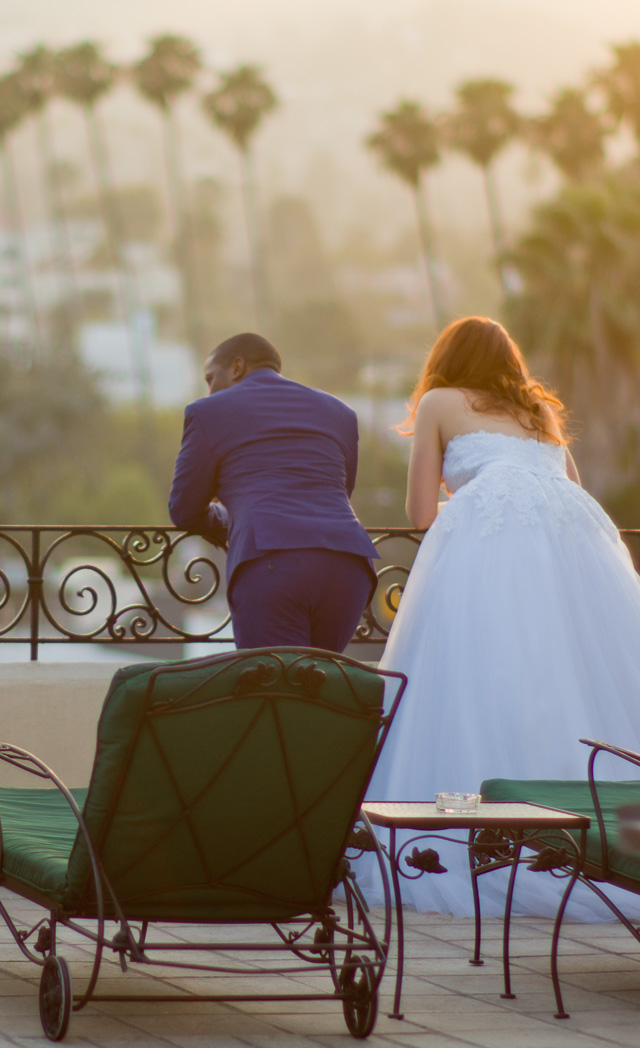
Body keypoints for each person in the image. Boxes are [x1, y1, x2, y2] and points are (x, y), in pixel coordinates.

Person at [359, 315, 640, 920]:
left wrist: (481, 497)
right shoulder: (540, 414)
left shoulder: (438, 400)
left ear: (448, 359)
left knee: (481, 675)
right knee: (570, 679)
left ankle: (477, 831)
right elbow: (568, 488)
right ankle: (585, 835)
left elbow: (419, 511)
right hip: (572, 560)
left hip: (486, 554)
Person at [169, 331, 378, 651]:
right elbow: (341, 490)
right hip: (350, 565)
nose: (209, 389)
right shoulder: (340, 412)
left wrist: (227, 518)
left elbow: (184, 509)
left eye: (211, 378)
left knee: (271, 691)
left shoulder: (207, 411)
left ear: (237, 367)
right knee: (321, 692)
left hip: (272, 562)